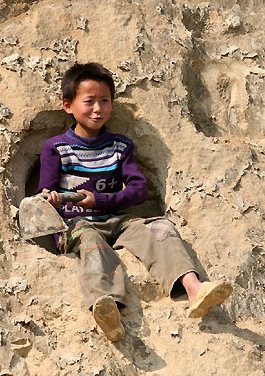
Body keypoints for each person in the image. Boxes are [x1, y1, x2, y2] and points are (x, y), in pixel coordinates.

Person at [37, 62, 232, 341]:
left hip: (117, 219)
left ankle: (194, 289)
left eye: (105, 101)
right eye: (89, 101)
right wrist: (51, 198)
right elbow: (45, 194)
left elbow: (139, 189)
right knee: (91, 243)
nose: (97, 109)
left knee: (160, 229)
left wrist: (102, 200)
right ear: (68, 105)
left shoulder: (121, 146)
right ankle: (107, 309)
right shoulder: (56, 148)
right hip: (77, 225)